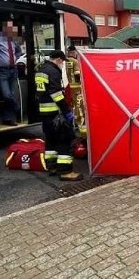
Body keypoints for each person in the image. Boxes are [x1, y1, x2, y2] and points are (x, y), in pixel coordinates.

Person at [35, 50, 82, 181]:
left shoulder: (41, 69)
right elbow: (56, 94)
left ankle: (52, 167)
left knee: (50, 140)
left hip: (45, 113)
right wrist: (66, 111)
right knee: (64, 140)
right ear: (59, 60)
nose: (62, 65)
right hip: (56, 113)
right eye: (62, 62)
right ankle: (66, 172)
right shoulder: (54, 71)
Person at [0, 20, 22, 126]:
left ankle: (7, 118)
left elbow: (19, 51)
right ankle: (17, 107)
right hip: (1, 70)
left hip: (13, 70)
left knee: (12, 94)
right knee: (6, 95)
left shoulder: (13, 39)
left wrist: (15, 58)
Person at [66, 45, 87, 137]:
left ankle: (71, 124)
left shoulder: (65, 61)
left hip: (68, 87)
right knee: (79, 107)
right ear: (73, 52)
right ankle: (82, 129)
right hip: (77, 88)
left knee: (71, 106)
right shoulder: (75, 61)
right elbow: (77, 74)